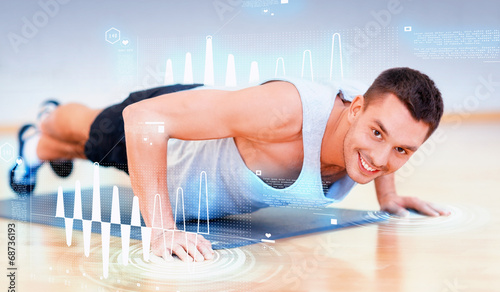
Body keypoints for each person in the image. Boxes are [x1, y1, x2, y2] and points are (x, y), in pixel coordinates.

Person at [9, 67, 449, 262]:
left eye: (402, 151)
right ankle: (48, 121)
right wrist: (160, 230)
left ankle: (39, 146)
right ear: (355, 110)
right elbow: (144, 120)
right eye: (376, 134)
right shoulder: (285, 112)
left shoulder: (379, 128)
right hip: (171, 145)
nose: (380, 159)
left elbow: (391, 138)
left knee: (77, 147)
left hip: (194, 179)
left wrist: (388, 196)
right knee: (91, 133)